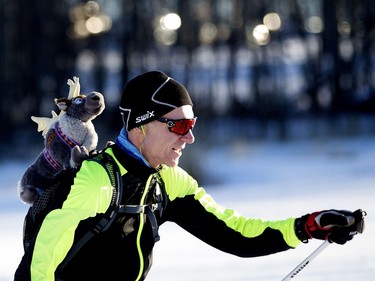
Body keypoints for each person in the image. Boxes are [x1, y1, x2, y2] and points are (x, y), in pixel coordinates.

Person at [15, 71, 365, 281]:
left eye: (192, 125)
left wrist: (308, 226)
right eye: (179, 125)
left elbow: (237, 234)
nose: (189, 137)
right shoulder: (96, 181)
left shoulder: (166, 182)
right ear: (141, 126)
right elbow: (39, 265)